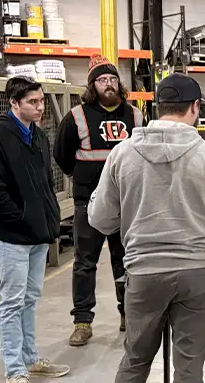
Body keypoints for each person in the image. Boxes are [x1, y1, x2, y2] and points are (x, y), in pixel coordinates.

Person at [87, 73, 205, 382]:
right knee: (189, 370)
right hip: (197, 274)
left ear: (158, 106)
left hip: (143, 273)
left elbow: (100, 219)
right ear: (195, 107)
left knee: (135, 361)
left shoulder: (121, 155)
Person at [0, 77, 70, 383]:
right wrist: (20, 218)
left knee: (30, 298)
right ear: (14, 103)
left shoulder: (39, 136)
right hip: (12, 236)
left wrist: (49, 216)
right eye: (33, 102)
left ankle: (30, 359)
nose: (40, 107)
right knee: (13, 301)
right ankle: (14, 369)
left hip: (38, 233)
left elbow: (45, 183)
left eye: (42, 101)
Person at [53, 54, 145, 346]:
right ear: (93, 85)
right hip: (87, 204)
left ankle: (127, 314)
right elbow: (62, 155)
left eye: (113, 79)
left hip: (125, 203)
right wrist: (83, 178)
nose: (109, 85)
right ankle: (82, 320)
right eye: (103, 80)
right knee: (84, 264)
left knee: (126, 262)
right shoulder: (77, 117)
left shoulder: (135, 116)